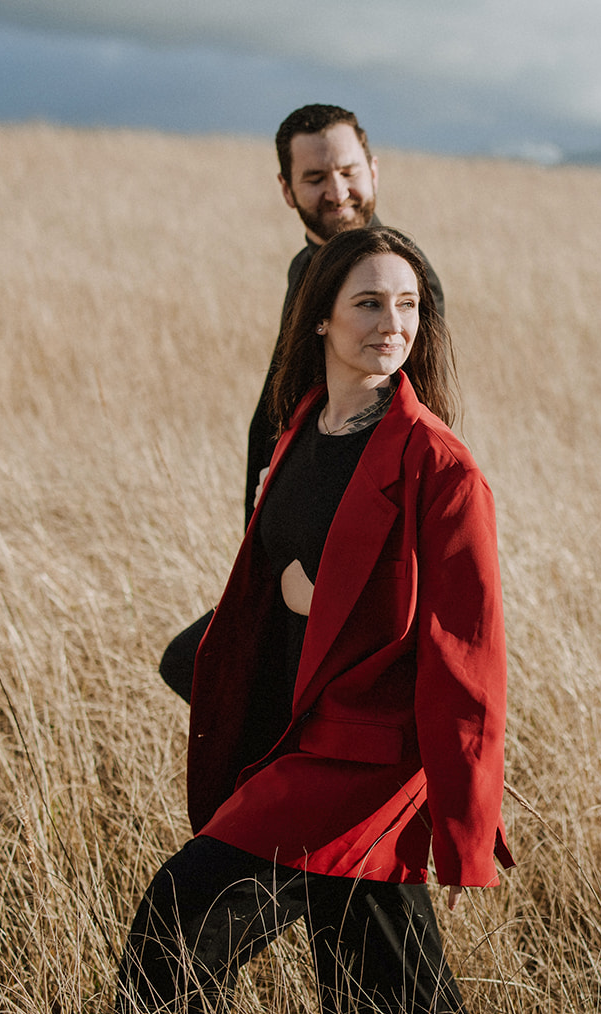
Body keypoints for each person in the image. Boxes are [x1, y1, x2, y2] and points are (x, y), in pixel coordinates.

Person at [106, 227, 509, 1014]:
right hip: (302, 739)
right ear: (318, 316)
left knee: (180, 916)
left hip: (362, 768)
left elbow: (465, 656)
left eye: (408, 305)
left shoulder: (441, 467)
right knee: (389, 1009)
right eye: (368, 302)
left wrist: (465, 824)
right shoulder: (298, 432)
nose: (391, 323)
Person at [157, 104, 444, 703]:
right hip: (288, 523)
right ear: (287, 190)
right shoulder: (308, 269)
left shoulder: (396, 277)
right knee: (205, 669)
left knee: (240, 684)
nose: (337, 191)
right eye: (315, 178)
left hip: (339, 534)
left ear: (373, 169)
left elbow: (415, 419)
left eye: (347, 171)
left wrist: (323, 553)